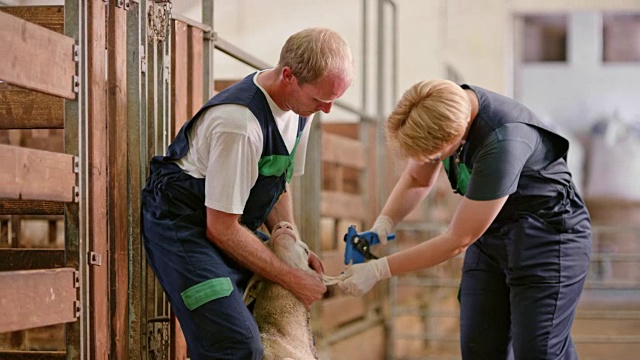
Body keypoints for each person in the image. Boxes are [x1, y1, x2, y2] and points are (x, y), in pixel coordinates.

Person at [338, 79, 591, 359]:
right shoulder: (439, 109)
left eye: (436, 155)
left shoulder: (504, 140)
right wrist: (383, 224)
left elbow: (457, 239)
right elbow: (415, 178)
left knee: (538, 351)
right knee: (479, 347)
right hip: (491, 236)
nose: (431, 160)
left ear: (456, 136)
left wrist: (379, 270)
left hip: (547, 239)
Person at [141, 27, 353, 359]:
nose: (326, 110)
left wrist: (288, 241)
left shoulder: (301, 111)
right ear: (288, 76)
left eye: (332, 100)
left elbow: (278, 181)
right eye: (319, 99)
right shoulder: (239, 124)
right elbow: (221, 227)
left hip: (230, 222)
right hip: (184, 228)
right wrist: (293, 278)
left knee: (277, 321)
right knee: (235, 345)